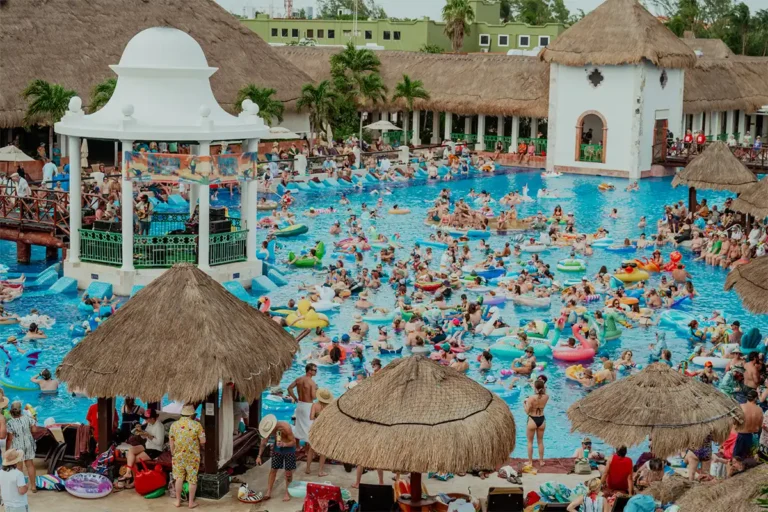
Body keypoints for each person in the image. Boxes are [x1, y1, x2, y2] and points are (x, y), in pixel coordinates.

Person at [117, 408, 165, 488]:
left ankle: (135, 481)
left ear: (153, 418)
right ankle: (128, 473)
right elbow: (143, 437)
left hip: (155, 449)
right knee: (131, 451)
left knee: (133, 460)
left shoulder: (159, 426)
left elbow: (159, 443)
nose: (145, 420)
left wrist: (149, 436)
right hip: (148, 445)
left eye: (147, 418)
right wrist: (140, 431)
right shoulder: (150, 424)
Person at [169, 404, 206, 509]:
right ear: (192, 415)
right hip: (192, 456)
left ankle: (177, 501)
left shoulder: (174, 425)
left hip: (178, 456)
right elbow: (203, 441)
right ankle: (191, 503)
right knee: (192, 479)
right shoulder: (197, 425)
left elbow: (171, 442)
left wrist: (173, 453)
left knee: (179, 478)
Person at [257, 414, 297, 502]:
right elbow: (263, 442)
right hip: (277, 448)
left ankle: (287, 491)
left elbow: (294, 442)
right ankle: (269, 491)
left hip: (289, 449)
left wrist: (285, 444)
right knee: (273, 469)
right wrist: (259, 456)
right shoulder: (267, 428)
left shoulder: (285, 427)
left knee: (288, 472)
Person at [5, 401, 38, 489]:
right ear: (21, 410)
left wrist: (7, 449)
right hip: (29, 443)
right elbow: (34, 430)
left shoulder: (9, 423)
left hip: (17, 445)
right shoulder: (27, 418)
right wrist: (34, 421)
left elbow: (10, 438)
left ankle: (21, 486)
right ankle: (33, 486)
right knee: (30, 465)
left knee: (19, 467)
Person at [287, 363, 317, 452]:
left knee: (298, 425)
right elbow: (313, 397)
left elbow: (289, 388)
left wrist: (295, 398)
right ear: (309, 371)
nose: (316, 372)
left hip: (299, 404)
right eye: (315, 370)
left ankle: (297, 446)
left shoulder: (299, 379)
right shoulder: (312, 383)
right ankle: (307, 449)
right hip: (308, 405)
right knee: (309, 426)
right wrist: (317, 390)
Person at [306, 388, 332, 476]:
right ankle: (320, 471)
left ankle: (308, 468)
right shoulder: (329, 407)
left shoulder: (314, 405)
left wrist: (317, 417)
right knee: (323, 451)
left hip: (315, 428)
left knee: (311, 449)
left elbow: (311, 417)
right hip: (324, 429)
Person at [523, 379, 548, 468]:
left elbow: (527, 411)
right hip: (542, 420)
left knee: (530, 442)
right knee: (540, 441)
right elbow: (543, 394)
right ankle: (541, 461)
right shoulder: (546, 397)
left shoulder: (531, 398)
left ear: (535, 387)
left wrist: (524, 402)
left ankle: (530, 462)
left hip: (532, 420)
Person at [734, 390, 762, 459]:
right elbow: (760, 425)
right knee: (751, 460)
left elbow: (734, 422)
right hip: (754, 436)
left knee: (737, 459)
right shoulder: (759, 410)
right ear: (756, 398)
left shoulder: (741, 407)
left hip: (741, 435)